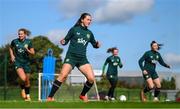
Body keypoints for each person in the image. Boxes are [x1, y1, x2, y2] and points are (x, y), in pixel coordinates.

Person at [47, 13, 100, 102]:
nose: (89, 21)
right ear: (82, 20)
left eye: (90, 20)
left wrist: (97, 45)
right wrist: (63, 41)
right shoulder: (74, 30)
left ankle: (82, 95)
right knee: (63, 76)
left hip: (82, 59)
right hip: (71, 57)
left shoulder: (89, 33)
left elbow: (94, 44)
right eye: (88, 19)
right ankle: (50, 97)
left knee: (91, 79)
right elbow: (65, 40)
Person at [9, 28, 35, 101]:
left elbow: (33, 53)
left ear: (25, 34)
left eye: (21, 34)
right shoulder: (14, 41)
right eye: (19, 34)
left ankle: (26, 93)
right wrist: (12, 56)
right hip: (18, 62)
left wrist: (28, 50)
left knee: (27, 80)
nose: (20, 35)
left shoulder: (29, 42)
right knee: (23, 78)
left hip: (26, 63)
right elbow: (10, 48)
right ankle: (27, 95)